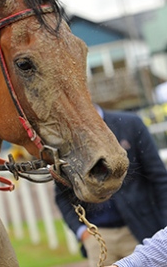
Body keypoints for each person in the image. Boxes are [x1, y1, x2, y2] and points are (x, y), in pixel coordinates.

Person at [55, 105, 167, 267]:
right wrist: (82, 232)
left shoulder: (131, 124)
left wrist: (164, 225)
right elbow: (62, 194)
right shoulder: (65, 139)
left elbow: (160, 178)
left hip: (140, 230)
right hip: (98, 236)